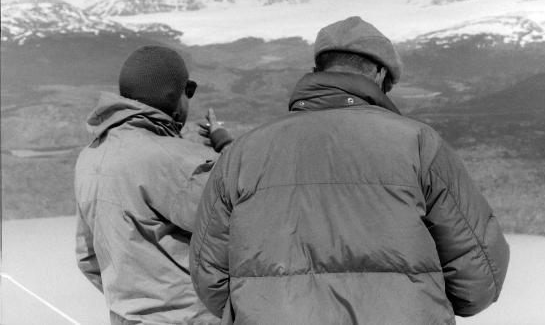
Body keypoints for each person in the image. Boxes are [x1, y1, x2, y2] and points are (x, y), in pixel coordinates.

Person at [189, 16, 510, 324]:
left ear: (317, 70)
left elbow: (211, 279)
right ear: (378, 73)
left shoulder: (242, 154)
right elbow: (480, 277)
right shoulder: (419, 145)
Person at [75, 45, 232, 325]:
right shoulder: (180, 161)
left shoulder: (90, 158)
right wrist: (226, 146)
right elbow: (250, 216)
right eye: (189, 91)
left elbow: (88, 258)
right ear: (176, 94)